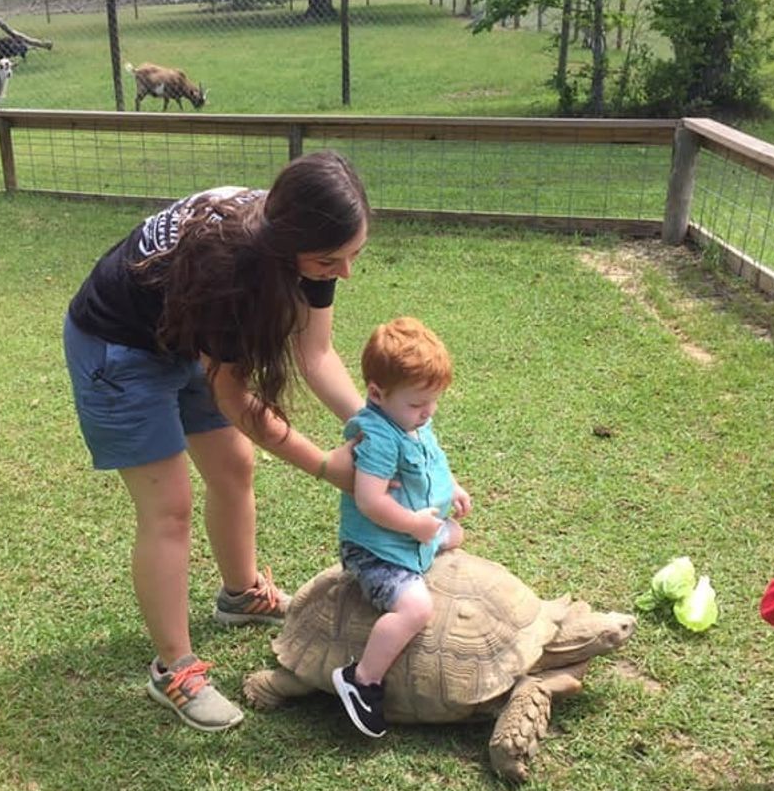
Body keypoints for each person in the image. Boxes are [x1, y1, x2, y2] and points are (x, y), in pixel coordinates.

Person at [63, 151, 370, 733]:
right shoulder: (234, 269)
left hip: (186, 332)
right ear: (287, 247)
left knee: (233, 466)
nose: (345, 272)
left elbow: (316, 353)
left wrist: (373, 430)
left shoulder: (304, 243)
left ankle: (239, 595)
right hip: (118, 345)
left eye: (355, 255)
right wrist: (329, 467)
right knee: (168, 509)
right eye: (332, 260)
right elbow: (235, 400)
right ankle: (173, 669)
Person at [332, 317, 472, 738]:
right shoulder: (377, 436)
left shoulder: (413, 421)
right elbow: (369, 500)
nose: (427, 413)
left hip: (409, 535)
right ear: (377, 393)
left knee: (457, 535)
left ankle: (426, 542)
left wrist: (454, 488)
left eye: (433, 402)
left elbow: (430, 464)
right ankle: (363, 680)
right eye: (417, 405)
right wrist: (413, 524)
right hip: (376, 549)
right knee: (417, 608)